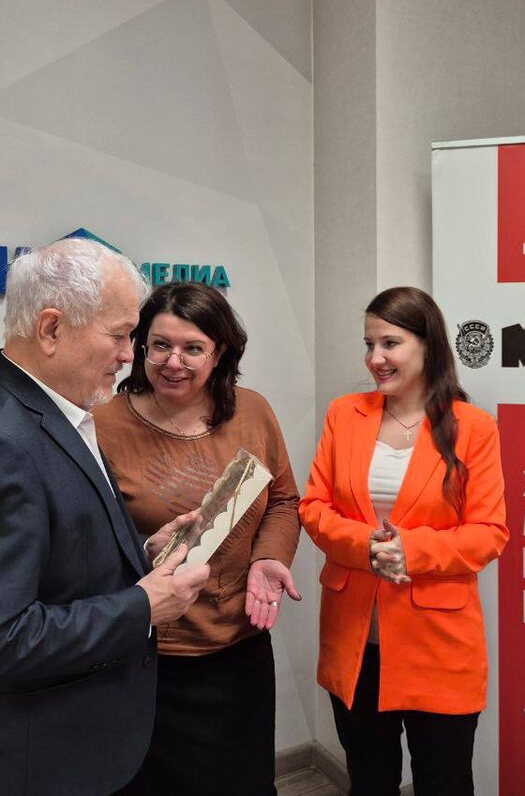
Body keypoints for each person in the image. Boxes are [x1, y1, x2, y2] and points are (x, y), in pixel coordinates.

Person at [0, 238, 210, 795]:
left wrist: (142, 551)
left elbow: (59, 549)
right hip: (26, 765)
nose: (130, 355)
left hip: (68, 748)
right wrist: (143, 606)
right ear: (51, 329)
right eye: (120, 335)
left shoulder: (53, 412)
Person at [93, 281, 302, 796]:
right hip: (147, 657)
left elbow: (283, 500)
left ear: (220, 352)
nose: (173, 362)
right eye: (160, 345)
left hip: (239, 651)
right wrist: (144, 549)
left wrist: (268, 558)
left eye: (192, 348)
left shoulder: (252, 412)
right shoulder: (101, 424)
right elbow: (89, 539)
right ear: (140, 346)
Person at [300, 286, 508, 796]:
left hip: (437, 642)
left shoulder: (474, 427)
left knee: (444, 781)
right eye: (369, 344)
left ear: (428, 345)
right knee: (369, 780)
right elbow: (314, 507)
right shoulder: (345, 413)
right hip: (355, 640)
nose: (375, 358)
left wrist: (409, 551)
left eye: (390, 343)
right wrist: (367, 545)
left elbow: (488, 532)